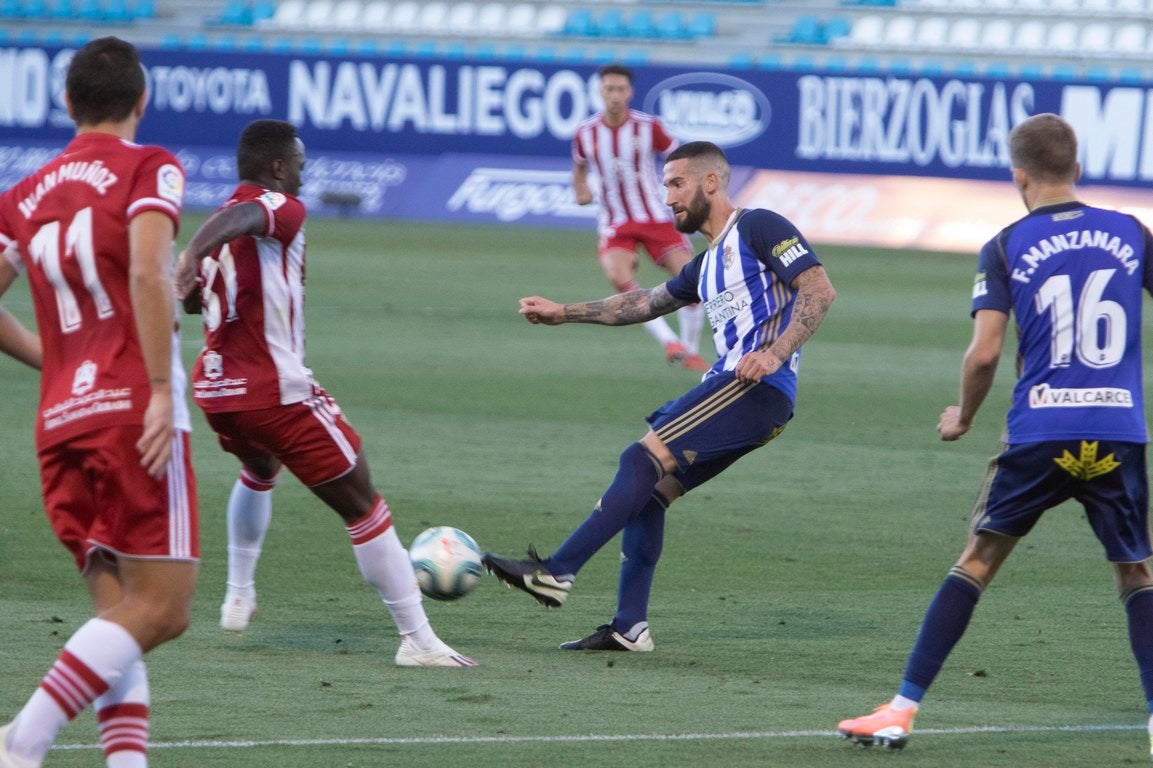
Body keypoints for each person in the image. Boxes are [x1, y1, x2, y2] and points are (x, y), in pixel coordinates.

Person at [837, 113, 1153, 756]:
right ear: (1079, 170)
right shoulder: (1132, 232)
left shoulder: (1006, 244)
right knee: (1137, 571)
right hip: (1117, 429)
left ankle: (900, 710)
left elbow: (983, 355)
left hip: (1042, 432)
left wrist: (964, 416)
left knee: (977, 562)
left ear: (1018, 176)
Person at [483, 141, 836, 651]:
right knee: (651, 493)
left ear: (710, 182)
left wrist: (776, 353)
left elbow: (819, 289)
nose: (666, 197)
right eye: (664, 185)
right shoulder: (707, 263)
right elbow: (643, 303)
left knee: (641, 457)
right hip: (744, 391)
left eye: (676, 184)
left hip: (754, 386)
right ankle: (630, 627)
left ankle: (556, 572)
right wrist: (564, 312)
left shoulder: (760, 227)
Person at [174, 119, 474, 668]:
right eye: (301, 169)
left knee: (259, 470)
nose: (305, 180)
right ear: (279, 168)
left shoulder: (219, 222)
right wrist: (189, 253)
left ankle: (239, 593)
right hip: (275, 390)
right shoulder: (275, 210)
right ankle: (419, 642)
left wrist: (197, 258)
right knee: (364, 504)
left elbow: (194, 304)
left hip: (218, 391)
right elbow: (247, 220)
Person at [0, 37, 199, 768]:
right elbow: (149, 270)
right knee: (163, 608)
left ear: (66, 104)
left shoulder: (24, 193)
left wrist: (55, 360)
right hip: (131, 412)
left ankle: (126, 762)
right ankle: (23, 739)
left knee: (116, 615)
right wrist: (153, 387)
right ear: (142, 102)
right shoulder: (150, 166)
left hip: (60, 420)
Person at [572, 64, 708, 372]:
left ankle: (690, 350)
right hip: (616, 222)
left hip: (656, 216)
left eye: (621, 89)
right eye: (609, 89)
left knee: (691, 281)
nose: (615, 96)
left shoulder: (648, 127)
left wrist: (683, 191)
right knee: (619, 276)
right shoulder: (585, 132)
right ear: (600, 92)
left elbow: (678, 159)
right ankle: (669, 341)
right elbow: (579, 170)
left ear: (630, 92)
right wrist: (581, 190)